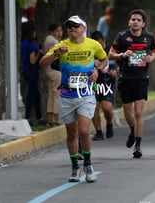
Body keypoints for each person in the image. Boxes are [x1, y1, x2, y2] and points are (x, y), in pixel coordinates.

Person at [39, 15, 107, 183]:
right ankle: (75, 167)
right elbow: (42, 63)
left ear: (83, 28)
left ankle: (89, 165)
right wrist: (56, 53)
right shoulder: (61, 45)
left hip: (86, 94)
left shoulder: (93, 44)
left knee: (84, 131)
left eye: (76, 26)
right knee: (72, 133)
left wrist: (97, 70)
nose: (72, 28)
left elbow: (104, 59)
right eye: (69, 26)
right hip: (67, 95)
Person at [108, 9, 155, 158]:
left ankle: (138, 145)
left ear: (143, 23)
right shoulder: (122, 37)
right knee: (127, 113)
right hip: (125, 78)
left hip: (142, 78)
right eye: (133, 19)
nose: (135, 22)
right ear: (129, 22)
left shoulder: (149, 37)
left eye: (138, 20)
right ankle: (132, 129)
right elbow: (110, 54)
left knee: (138, 112)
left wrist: (152, 58)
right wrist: (122, 55)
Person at [90, 31, 117, 141]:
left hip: (107, 83)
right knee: (94, 107)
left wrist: (115, 72)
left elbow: (117, 66)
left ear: (103, 41)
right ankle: (99, 131)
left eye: (99, 44)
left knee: (107, 107)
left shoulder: (110, 51)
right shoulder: (90, 53)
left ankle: (109, 123)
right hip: (94, 84)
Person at [21, 23, 45, 125]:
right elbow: (33, 60)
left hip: (25, 69)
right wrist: (39, 52)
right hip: (32, 70)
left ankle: (39, 117)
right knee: (31, 95)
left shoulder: (23, 42)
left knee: (36, 95)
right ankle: (28, 117)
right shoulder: (32, 44)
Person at [41, 23, 63, 125]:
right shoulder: (54, 42)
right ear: (51, 32)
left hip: (47, 71)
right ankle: (56, 118)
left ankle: (50, 118)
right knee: (57, 94)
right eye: (57, 31)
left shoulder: (46, 40)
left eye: (61, 31)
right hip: (55, 71)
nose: (60, 33)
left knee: (51, 93)